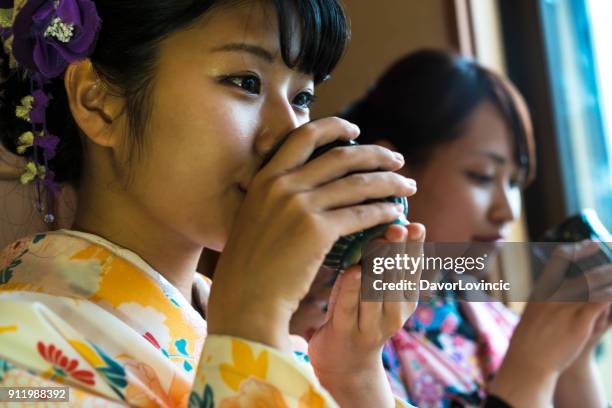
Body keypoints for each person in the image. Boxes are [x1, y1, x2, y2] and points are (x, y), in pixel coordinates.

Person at [0, 1, 426, 406]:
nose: (287, 133)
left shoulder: (282, 346)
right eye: (246, 82)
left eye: (302, 99)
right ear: (100, 103)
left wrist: (352, 376)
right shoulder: (17, 350)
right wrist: (250, 324)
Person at [339, 49, 612, 408]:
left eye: (514, 182)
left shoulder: (483, 308)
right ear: (395, 172)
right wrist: (530, 373)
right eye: (482, 176)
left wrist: (575, 357)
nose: (507, 210)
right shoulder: (344, 336)